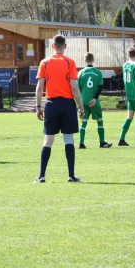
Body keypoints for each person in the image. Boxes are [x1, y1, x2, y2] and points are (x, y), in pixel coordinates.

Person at [34, 35, 85, 183]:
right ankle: (71, 175)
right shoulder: (70, 62)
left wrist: (38, 106)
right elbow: (74, 87)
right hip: (68, 104)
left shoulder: (45, 62)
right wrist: (81, 106)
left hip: (51, 104)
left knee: (48, 139)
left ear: (52, 46)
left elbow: (39, 87)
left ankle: (41, 176)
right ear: (65, 46)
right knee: (68, 139)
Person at [77, 52, 111, 149]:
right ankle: (102, 143)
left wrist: (79, 104)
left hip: (83, 102)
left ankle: (81, 144)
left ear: (85, 60)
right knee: (99, 121)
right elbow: (100, 87)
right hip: (95, 102)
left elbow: (77, 89)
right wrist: (95, 99)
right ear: (93, 60)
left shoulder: (80, 73)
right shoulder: (98, 72)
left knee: (83, 122)